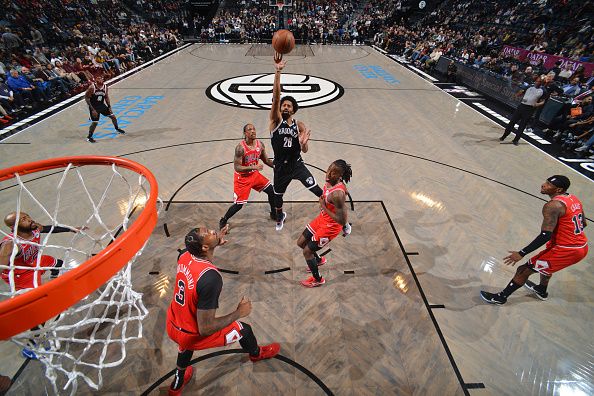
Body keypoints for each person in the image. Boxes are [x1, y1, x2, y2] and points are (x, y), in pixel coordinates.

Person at [166, 226, 280, 395]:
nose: (212, 230)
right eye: (209, 233)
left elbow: (197, 251)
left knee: (184, 346)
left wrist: (216, 240)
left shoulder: (183, 255)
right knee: (245, 330)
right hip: (192, 334)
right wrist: (238, 313)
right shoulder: (210, 277)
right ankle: (256, 354)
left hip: (173, 323)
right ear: (204, 247)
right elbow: (206, 328)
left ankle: (177, 383)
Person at [480, 176, 588, 305]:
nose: (543, 185)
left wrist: (521, 253)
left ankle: (501, 297)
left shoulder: (553, 205)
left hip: (567, 250)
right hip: (580, 245)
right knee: (545, 265)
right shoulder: (572, 198)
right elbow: (584, 223)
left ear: (558, 190)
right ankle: (541, 290)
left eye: (548, 184)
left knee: (523, 270)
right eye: (546, 182)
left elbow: (545, 235)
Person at [0, 212, 84, 359]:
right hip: (21, 274)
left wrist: (71, 229)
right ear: (14, 227)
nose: (29, 219)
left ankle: (54, 273)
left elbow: (49, 228)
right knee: (40, 312)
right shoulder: (10, 244)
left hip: (34, 261)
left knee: (57, 263)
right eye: (24, 219)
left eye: (27, 216)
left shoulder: (34, 228)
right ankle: (30, 347)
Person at [269, 53, 323, 231]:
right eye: (283, 105)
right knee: (278, 197)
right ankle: (280, 216)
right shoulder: (275, 121)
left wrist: (304, 143)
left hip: (296, 164)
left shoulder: (299, 125)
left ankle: (331, 211)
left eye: (288, 106)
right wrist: (278, 72)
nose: (285, 106)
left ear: (293, 109)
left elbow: (305, 150)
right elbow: (276, 96)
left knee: (316, 190)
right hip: (280, 167)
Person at [298, 160, 352, 288]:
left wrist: (323, 206)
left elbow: (342, 220)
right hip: (322, 219)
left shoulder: (338, 194)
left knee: (306, 252)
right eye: (329, 169)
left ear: (339, 176)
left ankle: (318, 279)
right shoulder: (331, 181)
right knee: (300, 243)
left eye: (333, 173)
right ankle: (318, 260)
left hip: (331, 226)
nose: (328, 174)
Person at [219, 123, 276, 230]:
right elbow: (237, 167)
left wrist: (276, 167)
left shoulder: (260, 145)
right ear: (245, 133)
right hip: (242, 179)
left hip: (254, 175)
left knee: (271, 192)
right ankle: (224, 220)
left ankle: (273, 214)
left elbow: (266, 160)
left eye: (254, 129)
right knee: (238, 205)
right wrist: (253, 167)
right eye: (250, 129)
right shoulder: (240, 148)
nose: (253, 131)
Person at [500, 77, 546, 145]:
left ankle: (516, 140)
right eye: (536, 81)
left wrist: (537, 104)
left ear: (542, 83)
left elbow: (543, 101)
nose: (537, 82)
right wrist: (517, 94)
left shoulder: (543, 91)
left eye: (539, 82)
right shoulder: (529, 86)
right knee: (512, 122)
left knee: (522, 125)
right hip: (522, 106)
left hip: (530, 109)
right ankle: (504, 136)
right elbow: (520, 93)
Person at [84, 75, 125, 143]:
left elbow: (106, 97)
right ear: (96, 80)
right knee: (95, 123)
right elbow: (86, 98)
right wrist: (93, 110)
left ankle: (117, 128)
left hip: (102, 105)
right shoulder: (92, 87)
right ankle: (89, 137)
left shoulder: (105, 87)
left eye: (101, 78)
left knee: (113, 117)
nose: (101, 79)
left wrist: (109, 106)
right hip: (94, 107)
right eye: (99, 78)